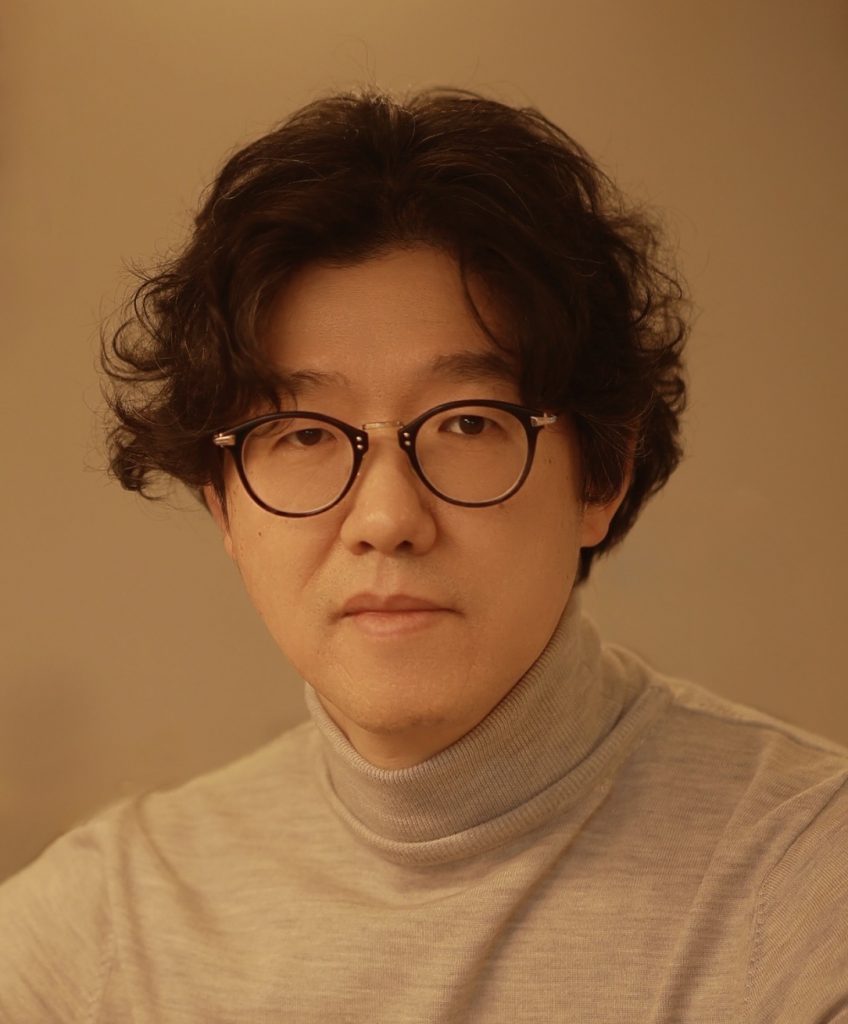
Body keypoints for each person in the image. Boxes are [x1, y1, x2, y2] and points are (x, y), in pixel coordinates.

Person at [1, 88, 846, 1023]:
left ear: (602, 475)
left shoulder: (806, 881)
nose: (387, 517)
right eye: (303, 433)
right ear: (222, 506)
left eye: (467, 423)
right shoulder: (98, 935)